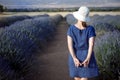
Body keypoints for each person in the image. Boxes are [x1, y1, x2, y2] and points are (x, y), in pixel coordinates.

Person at [67, 6, 99, 80]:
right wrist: (88, 58)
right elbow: (91, 45)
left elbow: (70, 45)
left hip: (74, 54)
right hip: (86, 54)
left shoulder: (71, 29)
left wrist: (74, 58)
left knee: (77, 77)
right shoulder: (90, 29)